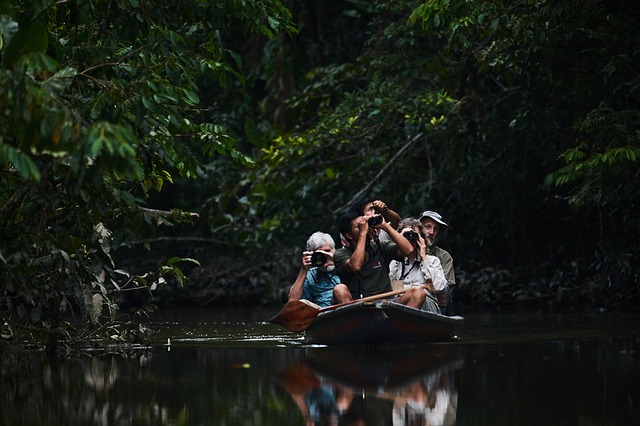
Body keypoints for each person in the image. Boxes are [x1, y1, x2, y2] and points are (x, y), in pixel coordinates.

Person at [332, 201, 426, 309]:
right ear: (348, 235)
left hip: (386, 304)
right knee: (339, 289)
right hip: (358, 309)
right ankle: (357, 325)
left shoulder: (380, 247)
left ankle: (398, 324)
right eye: (360, 226)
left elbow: (409, 250)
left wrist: (384, 225)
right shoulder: (340, 254)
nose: (365, 228)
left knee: (418, 293)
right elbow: (356, 265)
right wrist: (363, 233)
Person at [388, 218, 447, 314]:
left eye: (414, 236)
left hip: (427, 307)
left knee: (418, 293)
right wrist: (399, 245)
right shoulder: (395, 262)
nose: (410, 239)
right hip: (401, 304)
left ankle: (399, 322)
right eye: (406, 236)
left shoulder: (432, 261)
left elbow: (438, 287)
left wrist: (423, 258)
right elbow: (391, 291)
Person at [288, 232, 340, 308]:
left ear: (334, 250)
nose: (324, 257)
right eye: (319, 254)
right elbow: (292, 302)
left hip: (345, 308)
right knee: (302, 303)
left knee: (340, 290)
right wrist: (303, 270)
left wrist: (336, 261)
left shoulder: (346, 265)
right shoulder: (311, 275)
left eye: (327, 251)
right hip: (322, 314)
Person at [418, 210, 456, 315]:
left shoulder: (444, 257)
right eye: (428, 227)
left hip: (437, 303)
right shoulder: (407, 251)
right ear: (419, 229)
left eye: (435, 229)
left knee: (444, 288)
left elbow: (447, 288)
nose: (431, 232)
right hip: (411, 298)